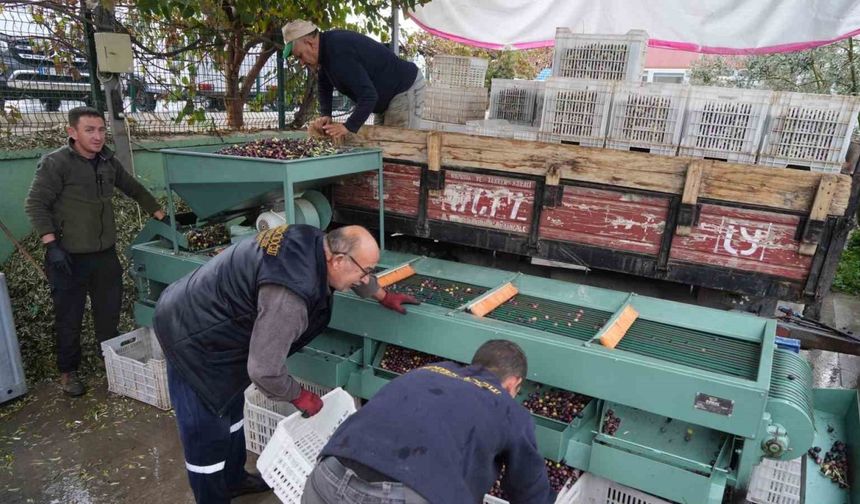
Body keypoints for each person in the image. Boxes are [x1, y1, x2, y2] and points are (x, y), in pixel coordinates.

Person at [152, 224, 419, 504]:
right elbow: (264, 371)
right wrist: (299, 396)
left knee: (230, 411)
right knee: (206, 435)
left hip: (220, 328)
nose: (366, 277)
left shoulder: (315, 240)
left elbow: (355, 273)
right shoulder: (289, 296)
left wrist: (382, 295)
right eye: (366, 271)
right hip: (190, 337)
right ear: (338, 260)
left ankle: (233, 480)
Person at [303, 339, 555, 504]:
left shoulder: (427, 371)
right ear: (514, 383)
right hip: (403, 495)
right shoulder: (509, 408)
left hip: (327, 474)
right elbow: (530, 493)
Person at [24, 106, 165, 397]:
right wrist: (51, 245)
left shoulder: (108, 162)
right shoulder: (56, 163)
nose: (98, 136)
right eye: (90, 130)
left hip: (104, 254)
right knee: (69, 316)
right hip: (68, 255)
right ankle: (68, 371)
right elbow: (36, 203)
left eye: (101, 130)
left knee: (108, 313)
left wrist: (162, 215)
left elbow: (134, 189)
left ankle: (110, 362)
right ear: (72, 132)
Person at [281, 19, 425, 138]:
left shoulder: (338, 52)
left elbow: (369, 96)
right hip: (386, 98)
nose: (301, 62)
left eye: (299, 55)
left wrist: (348, 126)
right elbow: (324, 83)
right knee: (382, 147)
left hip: (404, 90)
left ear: (309, 43)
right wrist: (326, 114)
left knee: (399, 147)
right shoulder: (326, 51)